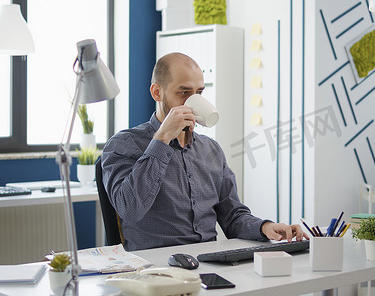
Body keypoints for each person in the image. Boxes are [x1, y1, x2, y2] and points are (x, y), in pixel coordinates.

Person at [101, 52, 309, 251]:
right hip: (157, 268)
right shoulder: (124, 144)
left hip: (208, 261)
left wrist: (264, 228)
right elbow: (130, 209)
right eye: (184, 93)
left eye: (199, 93)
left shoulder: (210, 150)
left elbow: (232, 216)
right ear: (157, 92)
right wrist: (162, 139)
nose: (193, 102)